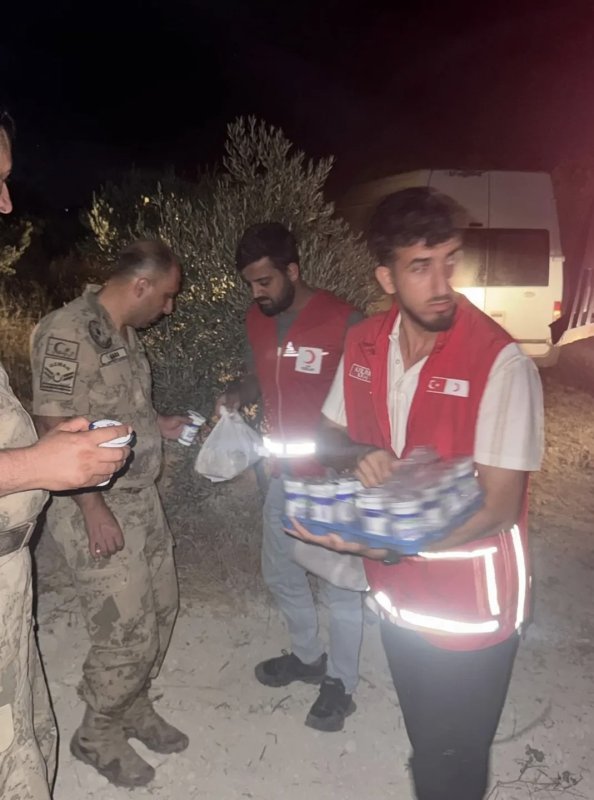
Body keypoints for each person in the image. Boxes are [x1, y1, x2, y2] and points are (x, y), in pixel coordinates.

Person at [289, 188, 544, 800]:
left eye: (450, 261)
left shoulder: (499, 362)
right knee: (425, 738)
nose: (441, 284)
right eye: (420, 266)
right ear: (386, 275)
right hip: (398, 599)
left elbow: (499, 507)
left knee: (456, 753)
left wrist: (392, 548)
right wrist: (357, 457)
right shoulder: (364, 344)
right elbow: (328, 438)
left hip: (473, 603)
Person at [1, 111, 131, 800]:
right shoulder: (64, 330)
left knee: (24, 749)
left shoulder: (125, 337)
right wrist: (37, 469)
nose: (6, 204)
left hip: (7, 587)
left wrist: (50, 451)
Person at [30, 239, 192, 788]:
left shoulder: (122, 333)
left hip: (142, 498)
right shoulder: (67, 331)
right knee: (124, 633)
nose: (168, 308)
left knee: (162, 612)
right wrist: (92, 508)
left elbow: (121, 410)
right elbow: (53, 427)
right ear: (140, 286)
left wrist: (157, 426)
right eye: (166, 297)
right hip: (93, 506)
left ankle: (134, 706)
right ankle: (96, 733)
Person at [216, 222, 365, 732]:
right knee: (280, 572)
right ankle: (308, 657)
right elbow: (262, 374)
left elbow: (372, 400)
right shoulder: (257, 321)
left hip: (335, 479)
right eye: (250, 284)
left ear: (292, 271)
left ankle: (341, 685)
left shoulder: (345, 321)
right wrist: (240, 391)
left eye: (264, 281)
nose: (256, 293)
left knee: (343, 587)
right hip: (282, 475)